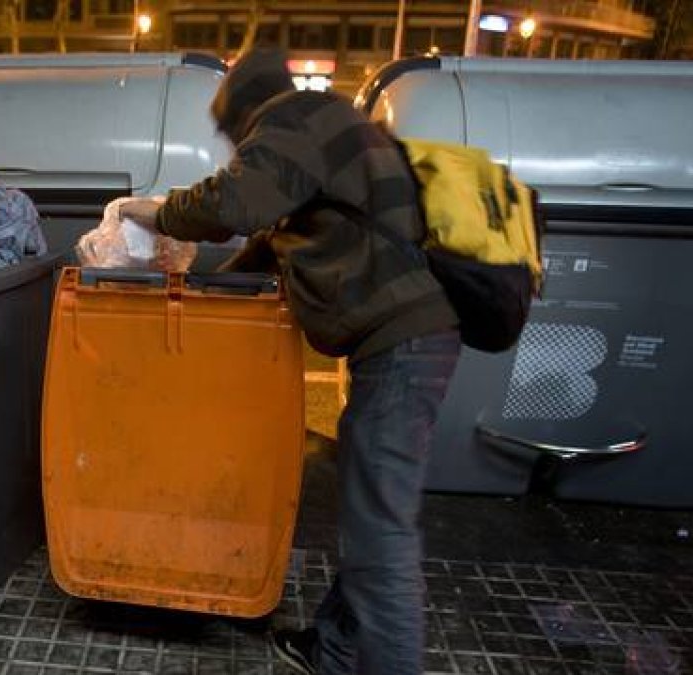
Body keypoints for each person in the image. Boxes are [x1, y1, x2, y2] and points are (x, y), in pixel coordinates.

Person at [119, 48, 461, 675]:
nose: (232, 147)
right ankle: (332, 649)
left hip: (405, 342)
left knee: (382, 535)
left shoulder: (295, 117)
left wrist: (155, 211)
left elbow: (231, 208)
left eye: (229, 134)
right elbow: (264, 246)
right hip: (404, 341)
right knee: (368, 504)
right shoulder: (322, 134)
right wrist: (192, 302)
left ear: (246, 111)